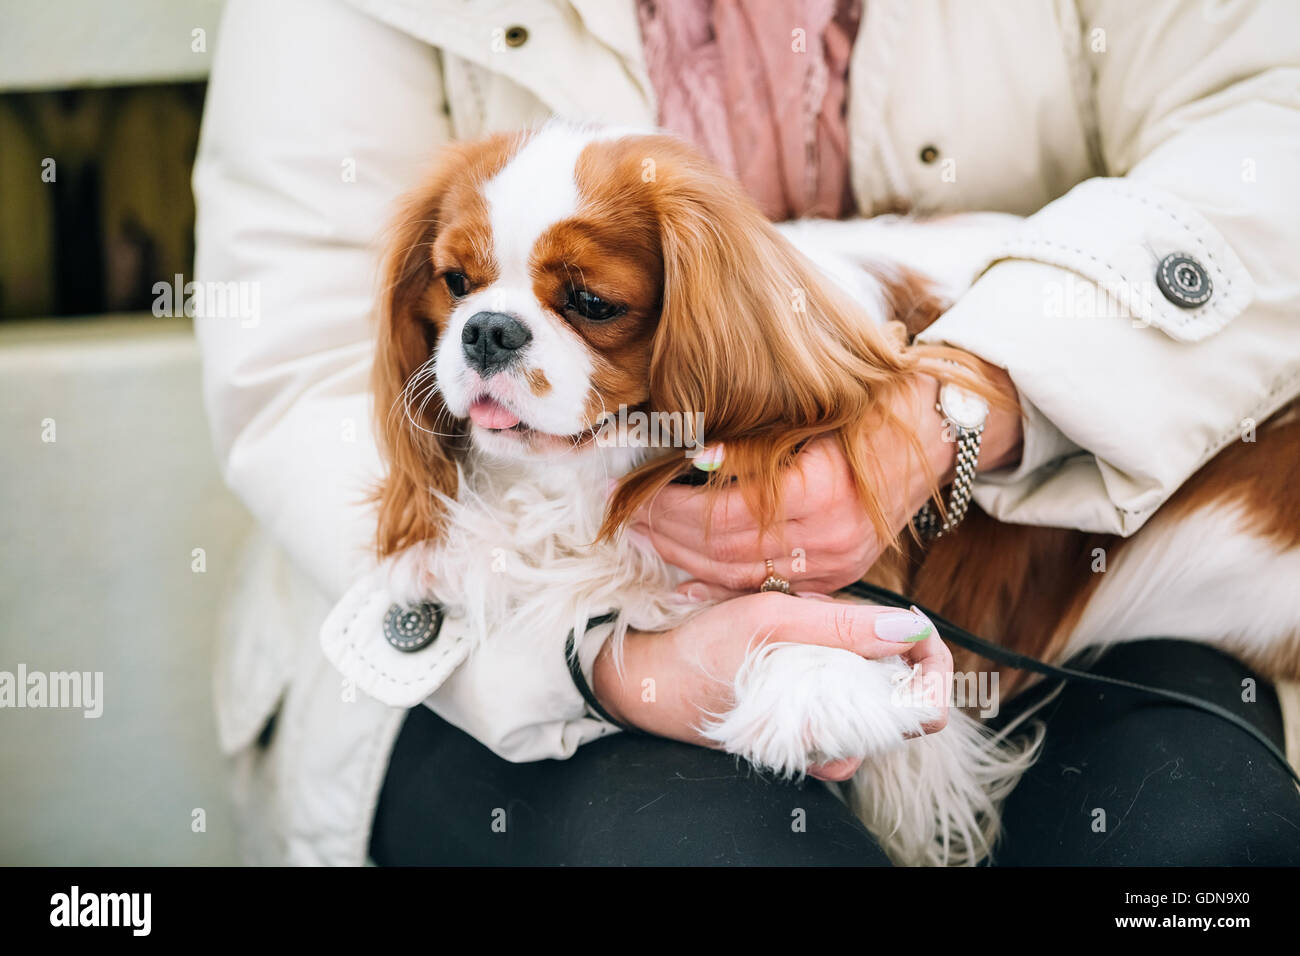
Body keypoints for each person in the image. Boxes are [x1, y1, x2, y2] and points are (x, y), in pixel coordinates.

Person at [194, 0, 1300, 865]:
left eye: (587, 299)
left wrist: (971, 399)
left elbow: (1268, 135)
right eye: (463, 283)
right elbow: (295, 370)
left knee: (1199, 841)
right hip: (460, 634)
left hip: (1055, 545)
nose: (493, 326)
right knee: (698, 850)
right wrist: (610, 668)